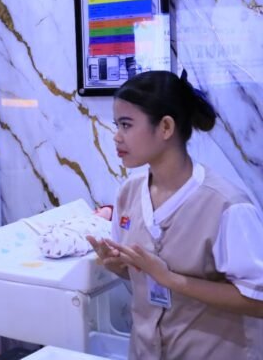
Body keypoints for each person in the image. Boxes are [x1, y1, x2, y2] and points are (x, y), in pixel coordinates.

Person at [87, 71, 263, 359]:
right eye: (117, 125)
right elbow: (139, 275)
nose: (116, 137)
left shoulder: (227, 205)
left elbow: (258, 300)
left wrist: (171, 280)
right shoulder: (128, 194)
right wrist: (117, 265)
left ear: (166, 127)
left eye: (126, 125)